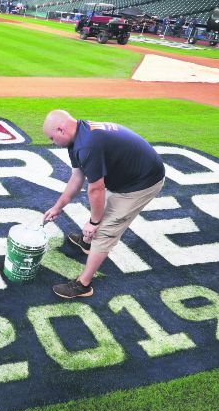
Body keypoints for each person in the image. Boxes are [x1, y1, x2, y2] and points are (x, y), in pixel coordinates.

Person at [42, 110, 165, 299]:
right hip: (128, 173)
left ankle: (83, 285)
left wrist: (94, 223)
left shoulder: (86, 145)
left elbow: (96, 189)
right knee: (101, 208)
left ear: (61, 129)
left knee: (104, 229)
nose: (52, 142)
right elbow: (76, 178)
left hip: (143, 181)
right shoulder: (77, 137)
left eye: (52, 137)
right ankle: (86, 244)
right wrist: (58, 207)